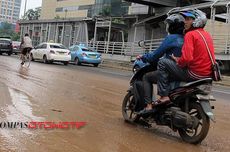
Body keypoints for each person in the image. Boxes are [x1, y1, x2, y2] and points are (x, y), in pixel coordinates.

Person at [156, 9, 215, 106]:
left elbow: (187, 59)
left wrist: (178, 62)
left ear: (196, 21)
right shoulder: (207, 35)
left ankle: (163, 96)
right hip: (207, 75)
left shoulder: (190, 34)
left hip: (194, 74)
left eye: (188, 19)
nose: (185, 22)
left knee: (163, 62)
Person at [137, 14, 185, 114]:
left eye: (169, 24)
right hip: (183, 72)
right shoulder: (186, 38)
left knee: (146, 77)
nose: (168, 27)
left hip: (171, 71)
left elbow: (155, 55)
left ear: (173, 26)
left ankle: (149, 106)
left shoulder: (171, 38)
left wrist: (143, 57)